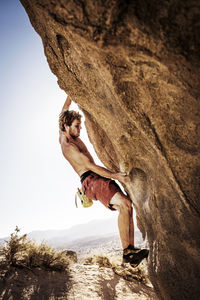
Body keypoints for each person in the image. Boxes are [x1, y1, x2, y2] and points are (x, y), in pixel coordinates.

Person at [59, 95, 149, 266]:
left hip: (94, 180)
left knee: (127, 205)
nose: (80, 129)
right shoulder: (69, 146)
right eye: (77, 126)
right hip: (91, 181)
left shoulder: (63, 129)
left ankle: (131, 250)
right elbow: (90, 166)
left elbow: (64, 109)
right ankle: (127, 252)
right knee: (124, 204)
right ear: (67, 126)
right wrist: (116, 175)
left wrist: (70, 94)